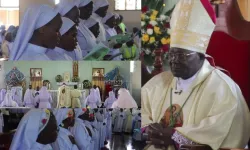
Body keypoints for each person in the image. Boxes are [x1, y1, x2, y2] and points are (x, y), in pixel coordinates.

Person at [141, 0, 250, 149]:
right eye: (171, 54)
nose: (174, 61)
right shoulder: (158, 83)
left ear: (200, 55)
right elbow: (142, 113)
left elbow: (222, 133)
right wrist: (149, 130)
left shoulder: (223, 88)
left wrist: (175, 137)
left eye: (181, 55)